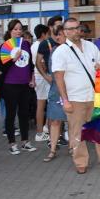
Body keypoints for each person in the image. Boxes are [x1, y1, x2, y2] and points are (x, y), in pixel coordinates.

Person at [52, 18, 100, 174]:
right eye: (71, 29)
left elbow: (99, 64)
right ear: (65, 32)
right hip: (75, 98)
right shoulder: (61, 51)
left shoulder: (90, 46)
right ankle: (80, 161)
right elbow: (59, 78)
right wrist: (65, 100)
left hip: (95, 96)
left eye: (77, 28)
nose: (76, 31)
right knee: (77, 132)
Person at [0, 19, 37, 155]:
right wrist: (13, 59)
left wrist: (32, 78)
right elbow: (1, 67)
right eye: (15, 29)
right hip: (10, 85)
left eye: (20, 29)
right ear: (10, 31)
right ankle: (12, 143)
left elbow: (30, 65)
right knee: (10, 114)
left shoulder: (26, 44)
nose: (18, 31)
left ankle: (25, 141)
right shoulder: (4, 46)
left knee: (24, 113)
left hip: (25, 84)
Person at [43, 25, 67, 162]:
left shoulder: (74, 50)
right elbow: (52, 70)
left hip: (72, 89)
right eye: (56, 35)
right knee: (55, 121)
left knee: (72, 122)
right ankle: (52, 149)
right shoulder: (55, 51)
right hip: (56, 89)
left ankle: (72, 147)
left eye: (61, 34)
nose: (58, 37)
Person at [31, 24, 51, 142]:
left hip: (39, 76)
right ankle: (40, 132)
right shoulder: (40, 45)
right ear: (43, 34)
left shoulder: (34, 45)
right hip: (43, 77)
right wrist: (47, 75)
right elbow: (42, 63)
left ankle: (44, 128)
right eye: (48, 34)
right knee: (43, 104)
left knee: (43, 104)